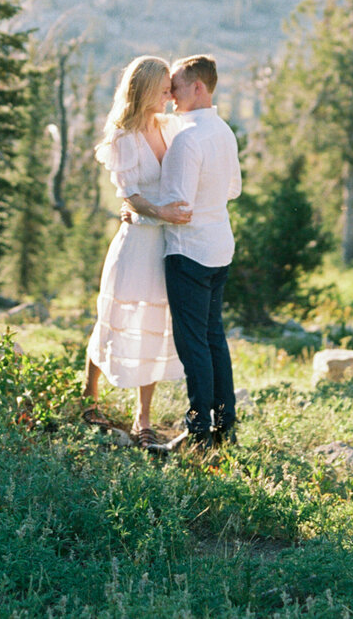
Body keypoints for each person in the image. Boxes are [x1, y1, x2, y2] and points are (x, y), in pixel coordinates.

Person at [83, 55, 191, 441]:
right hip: (136, 242)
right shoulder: (122, 137)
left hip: (166, 242)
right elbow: (130, 196)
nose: (169, 96)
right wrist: (158, 209)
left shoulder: (169, 125)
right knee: (113, 316)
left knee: (155, 324)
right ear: (144, 89)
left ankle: (142, 419)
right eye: (163, 90)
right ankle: (89, 393)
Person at [151, 53, 241, 450]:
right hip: (219, 246)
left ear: (198, 87)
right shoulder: (223, 130)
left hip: (188, 253)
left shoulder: (187, 140)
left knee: (193, 346)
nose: (170, 95)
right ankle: (225, 426)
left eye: (177, 87)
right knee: (213, 339)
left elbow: (178, 207)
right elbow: (233, 190)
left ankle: (199, 432)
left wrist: (139, 209)